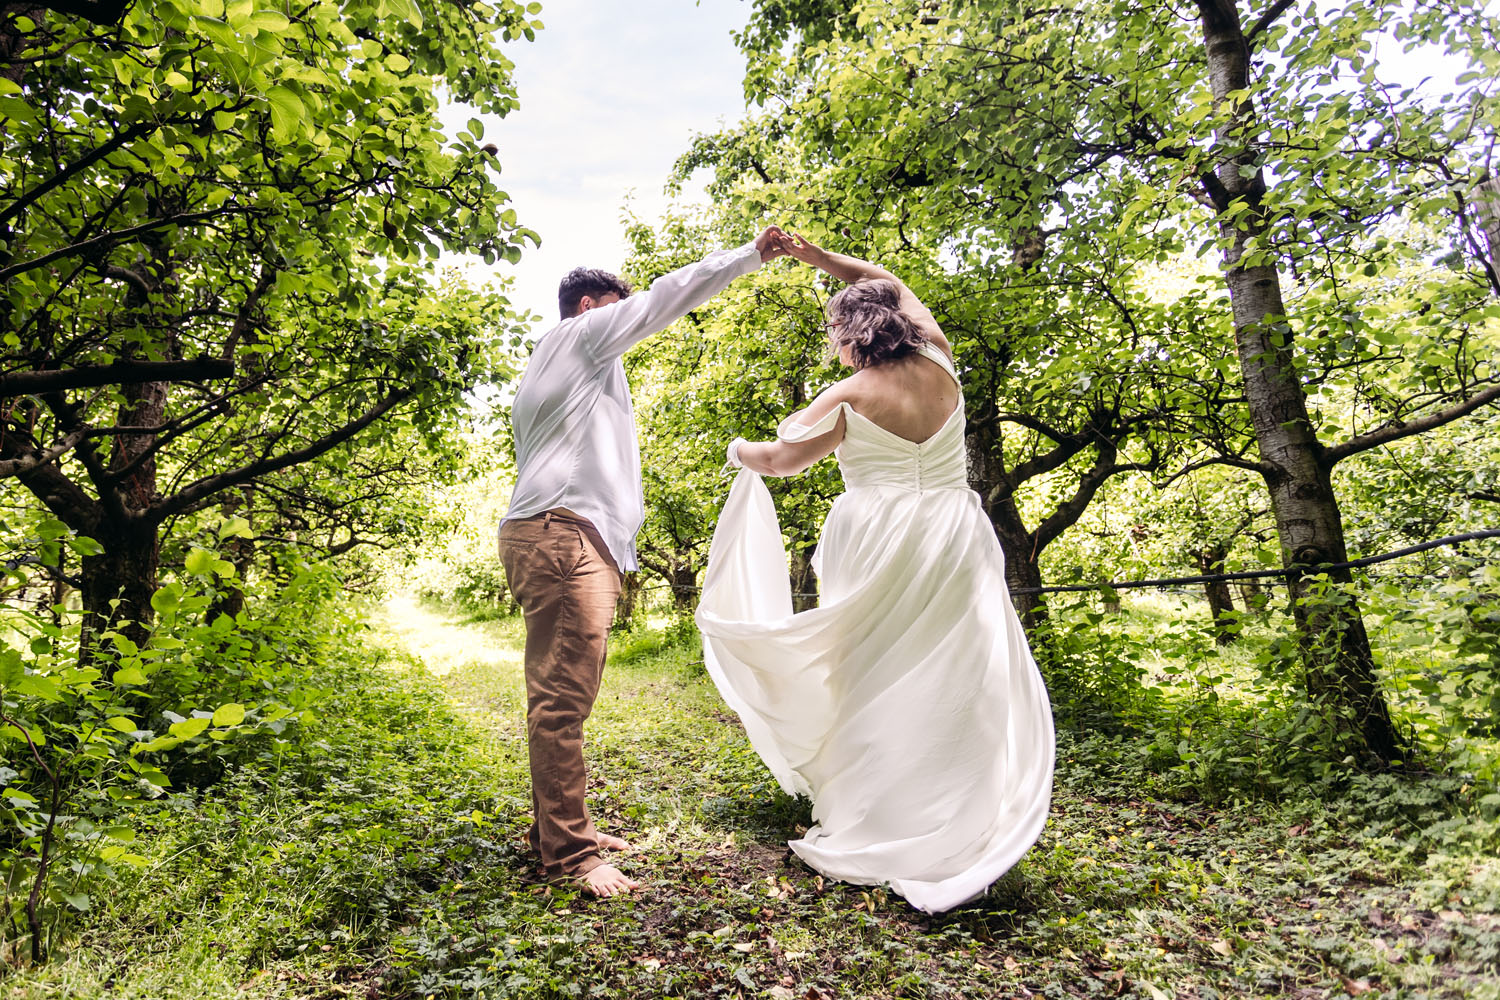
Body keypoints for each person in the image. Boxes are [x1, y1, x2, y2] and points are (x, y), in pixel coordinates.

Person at [696, 233, 1056, 913]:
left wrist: (739, 448)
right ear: (901, 320)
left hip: (880, 535)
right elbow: (882, 274)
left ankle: (880, 812)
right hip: (954, 529)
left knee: (871, 667)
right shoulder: (942, 362)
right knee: (958, 667)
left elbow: (779, 460)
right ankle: (960, 812)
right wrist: (817, 257)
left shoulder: (849, 395)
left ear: (848, 335)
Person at [498, 227, 789, 897]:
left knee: (563, 693)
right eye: (618, 310)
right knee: (561, 701)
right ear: (592, 306)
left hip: (558, 534)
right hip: (563, 537)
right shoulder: (582, 336)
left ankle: (558, 829)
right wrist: (749, 255)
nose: (630, 325)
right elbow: (669, 296)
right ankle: (569, 856)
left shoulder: (566, 364)